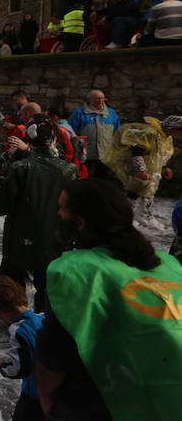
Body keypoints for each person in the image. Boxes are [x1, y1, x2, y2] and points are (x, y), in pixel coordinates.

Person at [36, 179, 182, 420]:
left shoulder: (74, 272)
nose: (58, 213)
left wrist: (47, 398)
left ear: (80, 223)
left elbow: (54, 352)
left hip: (107, 399)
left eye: (62, 208)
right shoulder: (169, 264)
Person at [0, 121, 78, 311]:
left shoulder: (20, 168)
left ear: (29, 141)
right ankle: (43, 325)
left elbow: (0, 205)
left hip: (20, 235)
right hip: (54, 237)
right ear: (54, 139)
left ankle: (14, 320)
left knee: (13, 285)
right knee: (48, 287)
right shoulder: (69, 170)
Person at [0, 277, 45, 421]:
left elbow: (20, 369)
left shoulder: (18, 330)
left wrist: (2, 365)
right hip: (52, 392)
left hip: (33, 395)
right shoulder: (43, 318)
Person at [68, 89, 120, 177]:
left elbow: (117, 132)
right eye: (97, 98)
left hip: (106, 154)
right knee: (85, 177)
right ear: (89, 99)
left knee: (105, 178)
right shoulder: (79, 113)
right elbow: (72, 132)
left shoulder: (111, 113)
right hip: (86, 155)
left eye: (102, 98)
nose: (100, 100)